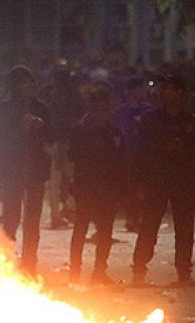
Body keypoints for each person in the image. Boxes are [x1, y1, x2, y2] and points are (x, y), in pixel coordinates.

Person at [131, 74, 195, 287]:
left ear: (181, 93)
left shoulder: (192, 122)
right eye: (164, 90)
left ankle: (184, 273)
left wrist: (182, 150)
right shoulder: (151, 120)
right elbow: (141, 152)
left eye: (171, 89)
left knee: (184, 230)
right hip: (156, 181)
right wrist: (141, 180)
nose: (166, 94)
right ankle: (139, 271)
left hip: (183, 182)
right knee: (149, 227)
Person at [0, 65, 53, 275]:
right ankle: (6, 263)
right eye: (22, 84)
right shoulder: (3, 110)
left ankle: (29, 264)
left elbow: (52, 137)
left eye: (30, 84)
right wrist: (20, 129)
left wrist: (41, 126)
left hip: (36, 171)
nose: (27, 88)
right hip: (12, 171)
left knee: (33, 221)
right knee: (10, 219)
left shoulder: (41, 108)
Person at [67, 81, 126, 285]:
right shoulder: (81, 129)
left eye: (105, 107)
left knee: (105, 232)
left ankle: (99, 272)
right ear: (91, 108)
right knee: (81, 229)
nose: (102, 112)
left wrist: (120, 189)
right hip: (86, 188)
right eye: (98, 108)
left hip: (107, 189)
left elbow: (120, 162)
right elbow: (72, 156)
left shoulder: (114, 132)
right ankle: (75, 272)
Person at [44, 64, 85, 229]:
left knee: (54, 181)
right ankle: (67, 210)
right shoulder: (74, 95)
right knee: (74, 178)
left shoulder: (47, 94)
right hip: (67, 141)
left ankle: (57, 214)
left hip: (53, 141)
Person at [117, 76, 154, 232]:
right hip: (127, 154)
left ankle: (139, 218)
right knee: (130, 188)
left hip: (145, 155)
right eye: (140, 88)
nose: (144, 91)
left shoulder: (149, 110)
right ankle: (132, 218)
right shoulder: (122, 111)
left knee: (144, 188)